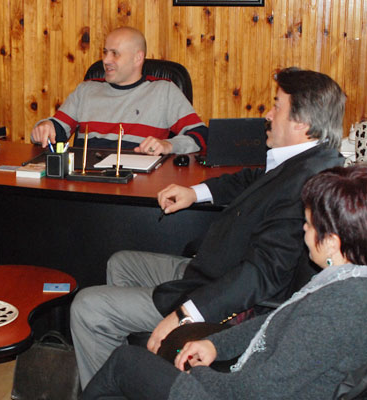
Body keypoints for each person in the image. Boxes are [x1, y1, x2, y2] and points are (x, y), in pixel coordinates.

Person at [70, 67, 346, 388]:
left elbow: (261, 276)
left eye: (277, 106)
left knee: (88, 307)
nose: (268, 115)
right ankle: (140, 374)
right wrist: (194, 192)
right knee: (121, 263)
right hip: (213, 268)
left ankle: (118, 382)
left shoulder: (305, 185)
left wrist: (184, 314)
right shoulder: (304, 161)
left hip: (223, 295)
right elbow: (251, 179)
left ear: (302, 123)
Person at [83, 164, 367, 399]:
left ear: (331, 242)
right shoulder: (356, 279)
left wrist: (195, 371)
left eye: (308, 224)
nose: (303, 230)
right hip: (248, 378)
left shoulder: (336, 311)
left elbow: (255, 391)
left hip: (234, 392)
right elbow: (274, 322)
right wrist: (216, 345)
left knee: (125, 362)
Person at [30, 26, 207, 155]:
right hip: (87, 181)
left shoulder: (164, 91)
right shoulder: (86, 90)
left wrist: (169, 145)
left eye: (115, 53)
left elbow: (201, 135)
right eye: (105, 52)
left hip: (140, 184)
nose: (106, 60)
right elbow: (57, 130)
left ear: (138, 58)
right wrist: (45, 127)